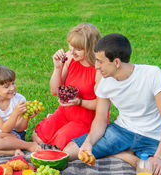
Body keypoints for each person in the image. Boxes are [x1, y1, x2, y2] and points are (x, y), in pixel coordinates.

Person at [64, 33, 161, 175]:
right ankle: (127, 156)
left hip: (152, 137)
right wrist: (89, 142)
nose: (96, 66)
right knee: (69, 152)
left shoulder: (152, 74)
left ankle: (120, 154)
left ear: (116, 62)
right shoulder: (104, 82)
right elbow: (100, 120)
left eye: (100, 61)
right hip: (121, 131)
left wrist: (158, 157)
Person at [32, 23, 108, 151]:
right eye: (70, 45)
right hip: (65, 112)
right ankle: (56, 124)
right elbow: (54, 91)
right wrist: (57, 67)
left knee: (59, 144)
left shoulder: (99, 70)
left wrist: (79, 102)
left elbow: (101, 105)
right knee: (38, 137)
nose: (72, 51)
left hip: (85, 119)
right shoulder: (70, 57)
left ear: (90, 49)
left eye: (78, 49)